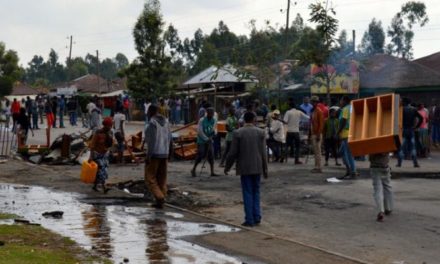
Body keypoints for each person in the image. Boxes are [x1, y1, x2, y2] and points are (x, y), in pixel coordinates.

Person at [224, 112, 268, 227]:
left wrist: (227, 167)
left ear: (244, 120)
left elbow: (232, 153)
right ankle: (257, 216)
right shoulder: (261, 132)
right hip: (257, 167)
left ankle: (249, 219)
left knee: (247, 192)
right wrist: (265, 169)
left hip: (244, 167)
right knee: (256, 192)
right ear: (254, 119)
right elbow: (264, 153)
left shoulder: (238, 133)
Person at [144, 105, 172, 209]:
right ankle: (161, 199)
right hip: (165, 153)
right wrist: (170, 153)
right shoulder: (166, 122)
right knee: (162, 178)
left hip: (155, 153)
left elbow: (151, 141)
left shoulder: (152, 123)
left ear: (151, 112)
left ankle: (159, 197)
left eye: (148, 112)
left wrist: (148, 155)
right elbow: (170, 138)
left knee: (150, 178)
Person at [88, 117, 113, 194]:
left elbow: (110, 144)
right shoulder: (98, 133)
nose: (110, 127)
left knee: (100, 172)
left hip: (104, 155)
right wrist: (91, 157)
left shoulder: (110, 133)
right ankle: (104, 187)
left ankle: (95, 186)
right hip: (97, 155)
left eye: (111, 126)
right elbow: (92, 145)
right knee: (102, 170)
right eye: (109, 126)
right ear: (105, 125)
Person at [191, 108, 218, 177]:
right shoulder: (202, 120)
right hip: (201, 140)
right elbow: (200, 131)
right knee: (200, 154)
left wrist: (214, 133)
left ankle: (212, 172)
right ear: (207, 113)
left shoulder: (213, 120)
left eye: (212, 114)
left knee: (211, 155)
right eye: (210, 114)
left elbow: (215, 128)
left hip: (210, 139)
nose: (211, 115)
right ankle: (193, 169)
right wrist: (206, 138)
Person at [397, 98, 423, 168]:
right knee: (413, 147)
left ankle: (399, 163)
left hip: (404, 130)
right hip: (411, 130)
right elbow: (421, 118)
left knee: (401, 147)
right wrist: (416, 126)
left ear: (404, 102)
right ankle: (415, 163)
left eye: (402, 102)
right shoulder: (414, 109)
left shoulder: (401, 109)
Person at [338, 96, 358, 179]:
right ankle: (349, 170)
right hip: (351, 132)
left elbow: (343, 120)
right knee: (342, 152)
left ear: (345, 101)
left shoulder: (346, 109)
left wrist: (338, 131)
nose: (340, 102)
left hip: (346, 134)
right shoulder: (352, 108)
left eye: (341, 100)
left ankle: (353, 172)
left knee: (349, 153)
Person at [369, 152, 393, 222]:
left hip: (374, 166)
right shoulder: (386, 141)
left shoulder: (370, 141)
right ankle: (388, 208)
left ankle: (380, 211)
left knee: (377, 189)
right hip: (385, 165)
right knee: (387, 186)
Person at [310, 96, 324, 173]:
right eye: (312, 102)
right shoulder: (313, 111)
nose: (313, 103)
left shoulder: (319, 111)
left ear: (316, 102)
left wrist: (318, 134)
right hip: (314, 133)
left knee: (318, 152)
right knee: (316, 151)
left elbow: (321, 124)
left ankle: (319, 167)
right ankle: (316, 166)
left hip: (317, 134)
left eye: (314, 102)